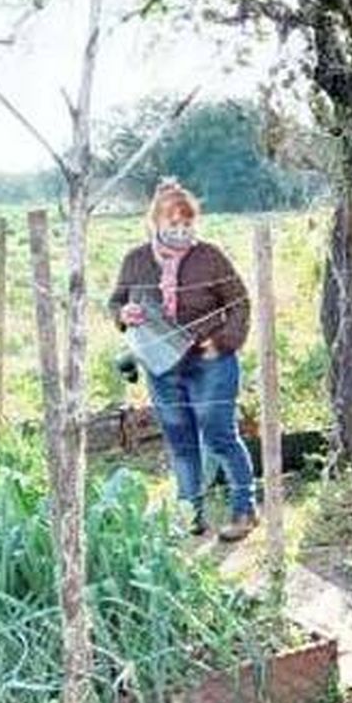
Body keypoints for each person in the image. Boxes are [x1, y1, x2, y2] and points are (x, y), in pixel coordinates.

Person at [108, 179, 257, 542]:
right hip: (162, 367)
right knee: (181, 442)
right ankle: (191, 514)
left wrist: (223, 343)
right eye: (172, 225)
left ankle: (244, 510)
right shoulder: (136, 260)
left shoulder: (210, 257)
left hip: (210, 363)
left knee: (220, 436)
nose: (180, 232)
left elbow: (239, 303)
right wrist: (124, 313)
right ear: (155, 224)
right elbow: (116, 302)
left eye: (186, 225)